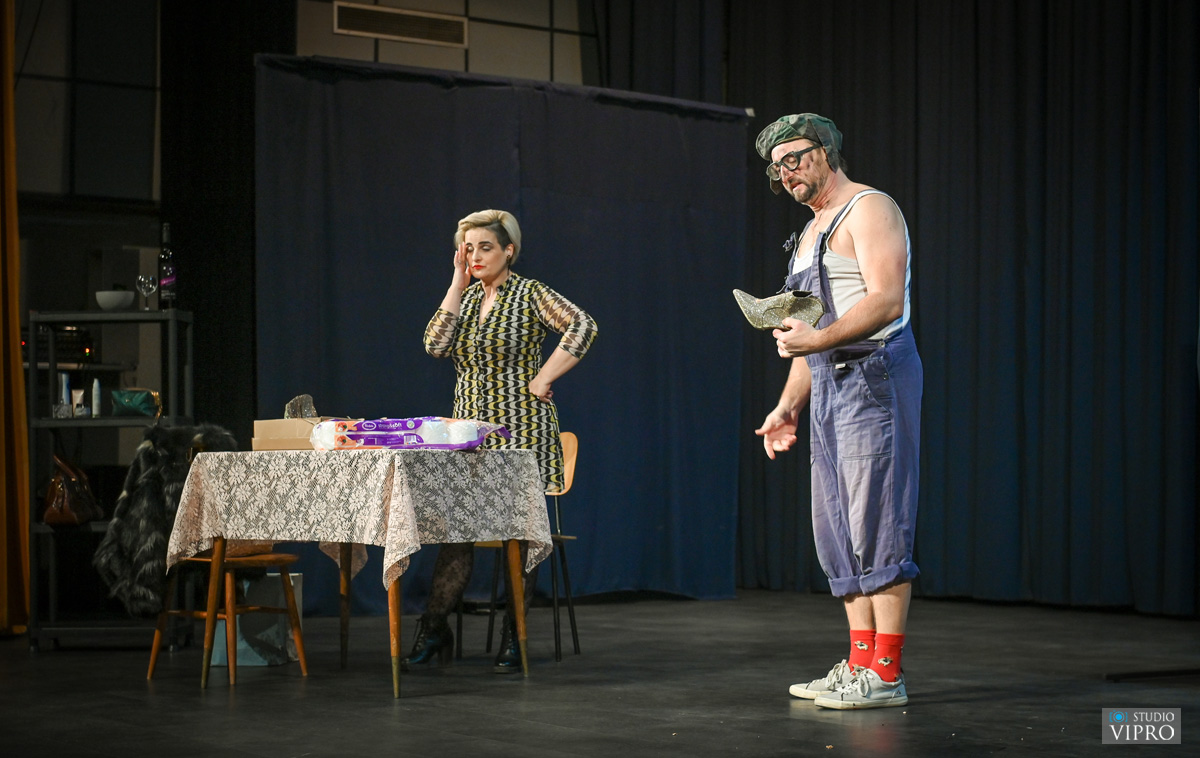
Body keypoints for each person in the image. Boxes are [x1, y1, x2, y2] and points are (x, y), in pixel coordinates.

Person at [753, 114, 923, 709]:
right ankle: (859, 664)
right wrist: (787, 406)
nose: (786, 172)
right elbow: (811, 333)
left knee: (877, 520)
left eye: (795, 157)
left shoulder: (869, 208)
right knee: (838, 528)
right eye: (776, 166)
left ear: (826, 150)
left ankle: (887, 673)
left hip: (873, 373)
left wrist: (817, 341)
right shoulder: (809, 232)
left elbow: (885, 299)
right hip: (828, 383)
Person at [411, 209, 597, 673]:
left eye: (485, 247)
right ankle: (434, 627)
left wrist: (544, 377)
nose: (475, 256)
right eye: (468, 248)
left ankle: (516, 634)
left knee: (518, 533)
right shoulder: (467, 298)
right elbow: (435, 345)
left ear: (508, 250)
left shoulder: (530, 293)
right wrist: (457, 283)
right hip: (468, 435)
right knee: (458, 533)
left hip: (521, 430)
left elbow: (583, 325)